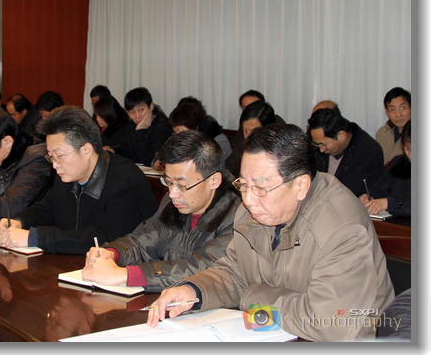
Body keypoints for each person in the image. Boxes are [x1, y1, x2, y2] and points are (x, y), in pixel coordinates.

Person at [147, 124, 394, 342]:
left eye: (260, 188)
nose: (248, 200)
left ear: (301, 186)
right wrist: (194, 291)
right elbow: (235, 271)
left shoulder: (342, 229)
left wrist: (253, 297)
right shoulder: (256, 210)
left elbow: (331, 323)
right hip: (278, 331)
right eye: (244, 185)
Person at [81, 130, 241, 291]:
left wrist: (126, 275)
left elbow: (203, 267)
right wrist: (113, 253)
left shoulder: (238, 215)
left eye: (182, 185)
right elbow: (144, 240)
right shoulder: (176, 202)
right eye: (168, 182)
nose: (172, 194)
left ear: (214, 181)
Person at [0, 106, 158, 254]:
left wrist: (35, 238)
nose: (54, 165)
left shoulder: (127, 180)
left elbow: (103, 238)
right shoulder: (67, 175)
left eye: (60, 156)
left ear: (86, 150)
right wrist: (20, 222)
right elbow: (46, 209)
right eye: (51, 156)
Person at [308, 107, 384, 197]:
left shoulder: (369, 151)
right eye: (317, 144)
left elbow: (351, 189)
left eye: (324, 145)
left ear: (341, 135)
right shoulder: (319, 145)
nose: (321, 150)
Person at [360, 121, 411, 217]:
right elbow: (381, 188)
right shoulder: (399, 162)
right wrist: (367, 195)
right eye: (408, 148)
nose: (411, 155)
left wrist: (391, 203)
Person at [118, 87, 172, 168]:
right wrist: (113, 150)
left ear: (151, 106)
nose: (137, 116)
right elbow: (127, 149)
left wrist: (140, 131)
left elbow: (150, 160)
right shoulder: (132, 124)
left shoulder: (164, 125)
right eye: (132, 112)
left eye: (141, 110)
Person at [166, 97, 232, 160]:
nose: (178, 137)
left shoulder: (219, 141)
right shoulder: (184, 141)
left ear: (194, 126)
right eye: (175, 133)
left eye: (181, 131)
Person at [225, 100, 276, 178]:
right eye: (245, 130)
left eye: (253, 131)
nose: (248, 136)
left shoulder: (276, 152)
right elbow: (228, 168)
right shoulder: (242, 145)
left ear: (268, 129)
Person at [375, 87, 411, 164]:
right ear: (387, 112)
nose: (398, 114)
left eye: (402, 108)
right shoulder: (382, 133)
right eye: (393, 109)